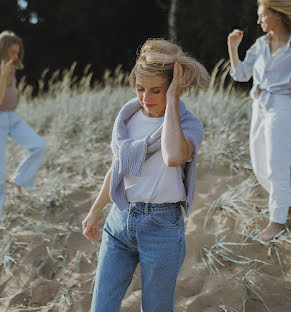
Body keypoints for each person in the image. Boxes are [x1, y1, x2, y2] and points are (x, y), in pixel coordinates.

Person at [82, 39, 209, 311]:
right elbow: (117, 167)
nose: (145, 99)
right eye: (140, 89)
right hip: (119, 221)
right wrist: (95, 210)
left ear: (175, 86)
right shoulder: (126, 118)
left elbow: (173, 156)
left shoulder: (189, 125)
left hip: (162, 229)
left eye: (156, 90)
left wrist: (173, 101)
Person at [227, 0, 291, 241]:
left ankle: (277, 221)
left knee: (275, 166)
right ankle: (286, 201)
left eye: (262, 15)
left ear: (278, 16)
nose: (258, 21)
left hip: (281, 107)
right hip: (258, 106)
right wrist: (233, 48)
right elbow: (241, 75)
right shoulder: (260, 44)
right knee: (259, 164)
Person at [0, 31, 46, 222]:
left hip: (13, 118)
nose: (15, 57)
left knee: (39, 145)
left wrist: (9, 72)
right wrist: (3, 74)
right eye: (12, 52)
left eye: (17, 53)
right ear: (1, 51)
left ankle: (18, 180)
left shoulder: (13, 68)